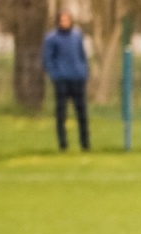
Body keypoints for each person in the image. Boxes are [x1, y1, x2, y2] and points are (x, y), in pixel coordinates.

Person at [42, 11, 89, 152]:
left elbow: (82, 55)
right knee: (61, 113)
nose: (64, 23)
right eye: (62, 20)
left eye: (67, 20)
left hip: (77, 78)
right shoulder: (51, 38)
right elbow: (47, 59)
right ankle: (63, 144)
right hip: (61, 79)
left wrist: (83, 71)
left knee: (81, 112)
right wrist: (55, 74)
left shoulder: (77, 36)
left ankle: (85, 144)